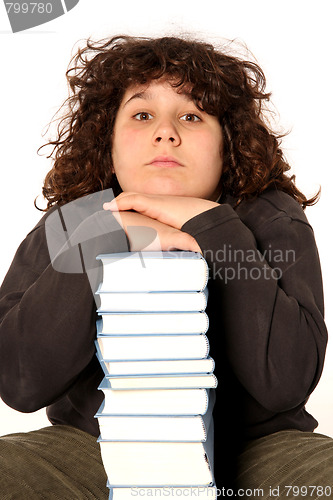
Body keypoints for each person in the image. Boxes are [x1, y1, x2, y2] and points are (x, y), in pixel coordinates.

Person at [0, 34, 332, 499]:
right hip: (90, 446)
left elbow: (285, 383)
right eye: (141, 114)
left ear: (227, 145)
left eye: (192, 116)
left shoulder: (271, 218)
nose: (166, 131)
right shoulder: (71, 223)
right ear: (107, 144)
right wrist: (106, 233)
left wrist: (215, 227)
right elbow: (20, 382)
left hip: (259, 450)